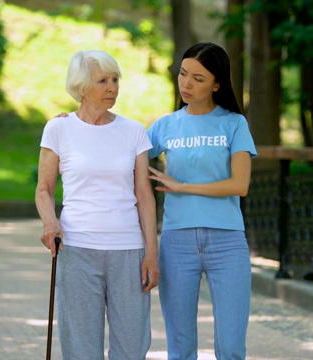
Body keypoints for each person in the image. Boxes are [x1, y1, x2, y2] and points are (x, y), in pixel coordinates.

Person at [35, 49, 159, 360]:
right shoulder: (59, 129)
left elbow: (144, 194)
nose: (112, 87)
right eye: (102, 80)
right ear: (80, 86)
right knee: (81, 349)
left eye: (115, 79)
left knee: (132, 347)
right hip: (77, 250)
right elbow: (44, 189)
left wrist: (152, 252)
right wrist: (51, 222)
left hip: (129, 251)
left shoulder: (133, 131)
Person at [146, 42, 257, 360]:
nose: (186, 84)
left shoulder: (234, 124)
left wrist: (183, 186)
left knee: (232, 347)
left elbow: (240, 184)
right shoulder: (165, 126)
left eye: (198, 78)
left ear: (217, 84)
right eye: (183, 74)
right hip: (177, 242)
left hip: (227, 242)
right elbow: (125, 153)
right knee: (180, 348)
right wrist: (76, 124)